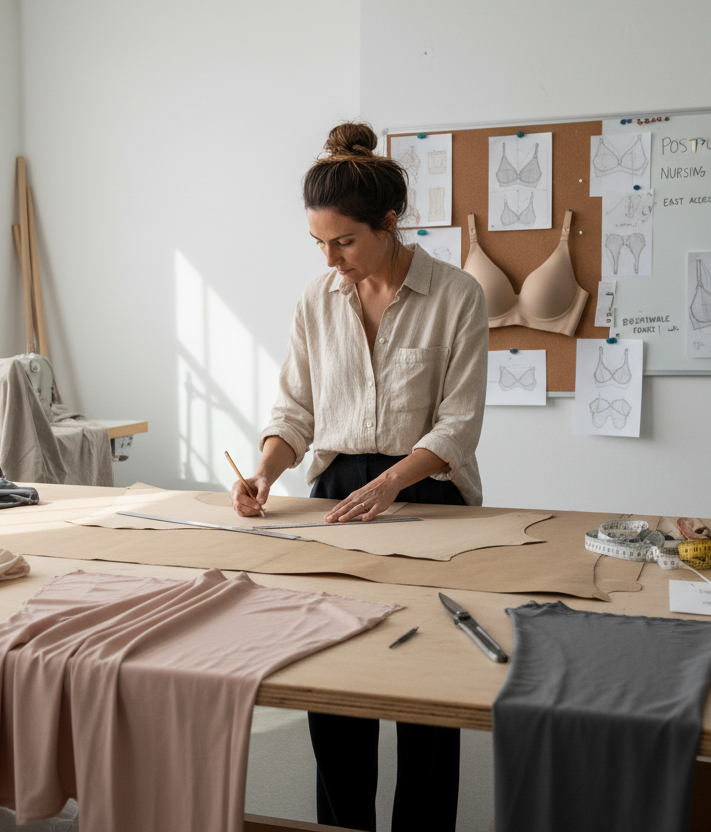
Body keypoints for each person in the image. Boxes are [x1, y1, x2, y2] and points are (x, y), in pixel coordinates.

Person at [229, 122, 488, 832]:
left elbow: (458, 425)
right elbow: (295, 410)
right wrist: (264, 471)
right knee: (334, 681)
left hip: (429, 497)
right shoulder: (317, 300)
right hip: (336, 500)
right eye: (318, 242)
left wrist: (392, 482)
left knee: (428, 690)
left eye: (343, 241)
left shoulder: (457, 295)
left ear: (390, 222)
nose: (330, 258)